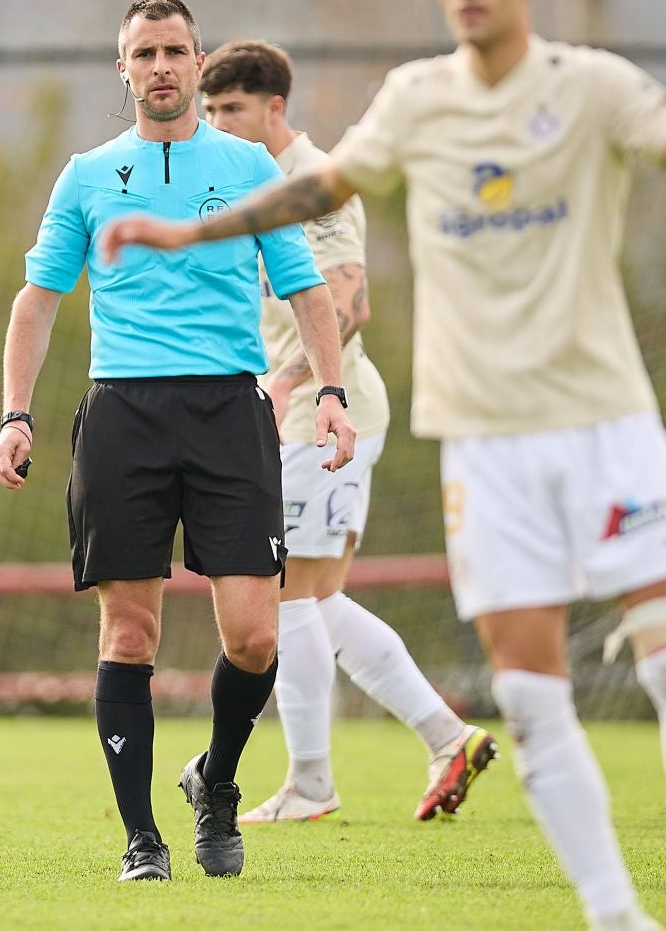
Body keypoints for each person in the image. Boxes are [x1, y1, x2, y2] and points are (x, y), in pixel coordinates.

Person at [101, 0, 666, 931]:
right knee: (525, 690)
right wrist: (183, 229)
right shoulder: (414, 101)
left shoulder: (594, 86)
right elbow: (312, 192)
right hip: (482, 441)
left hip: (602, 421)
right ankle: (612, 921)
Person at [0, 0, 355, 884]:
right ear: (123, 69)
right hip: (123, 415)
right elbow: (38, 299)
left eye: (175, 52)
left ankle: (217, 783)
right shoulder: (84, 175)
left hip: (231, 413)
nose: (159, 66)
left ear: (199, 65)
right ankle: (140, 840)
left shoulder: (249, 166)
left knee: (254, 638)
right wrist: (15, 414)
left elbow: (306, 289)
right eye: (143, 53)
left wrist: (332, 390)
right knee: (128, 633)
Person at [197, 41, 496, 824]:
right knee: (318, 598)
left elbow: (347, 303)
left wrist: (289, 382)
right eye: (211, 110)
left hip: (325, 417)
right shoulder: (241, 185)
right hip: (290, 417)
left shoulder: (315, 184)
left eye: (232, 109)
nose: (219, 122)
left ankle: (311, 783)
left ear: (274, 109)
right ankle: (445, 736)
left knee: (288, 592)